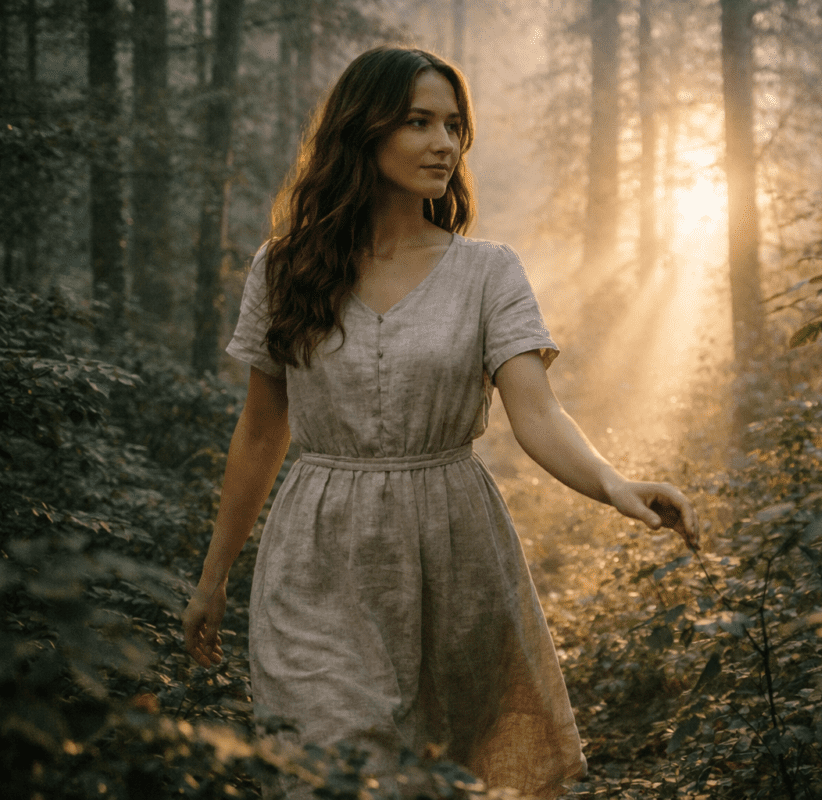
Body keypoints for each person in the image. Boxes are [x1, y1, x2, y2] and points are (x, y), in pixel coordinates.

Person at [181, 46, 698, 799]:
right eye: (418, 122)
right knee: (328, 765)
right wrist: (214, 573)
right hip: (318, 557)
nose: (444, 144)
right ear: (364, 130)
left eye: (454, 125)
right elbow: (262, 431)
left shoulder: (489, 271)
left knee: (438, 777)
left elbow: (537, 412)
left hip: (454, 554)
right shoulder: (285, 267)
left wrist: (615, 485)